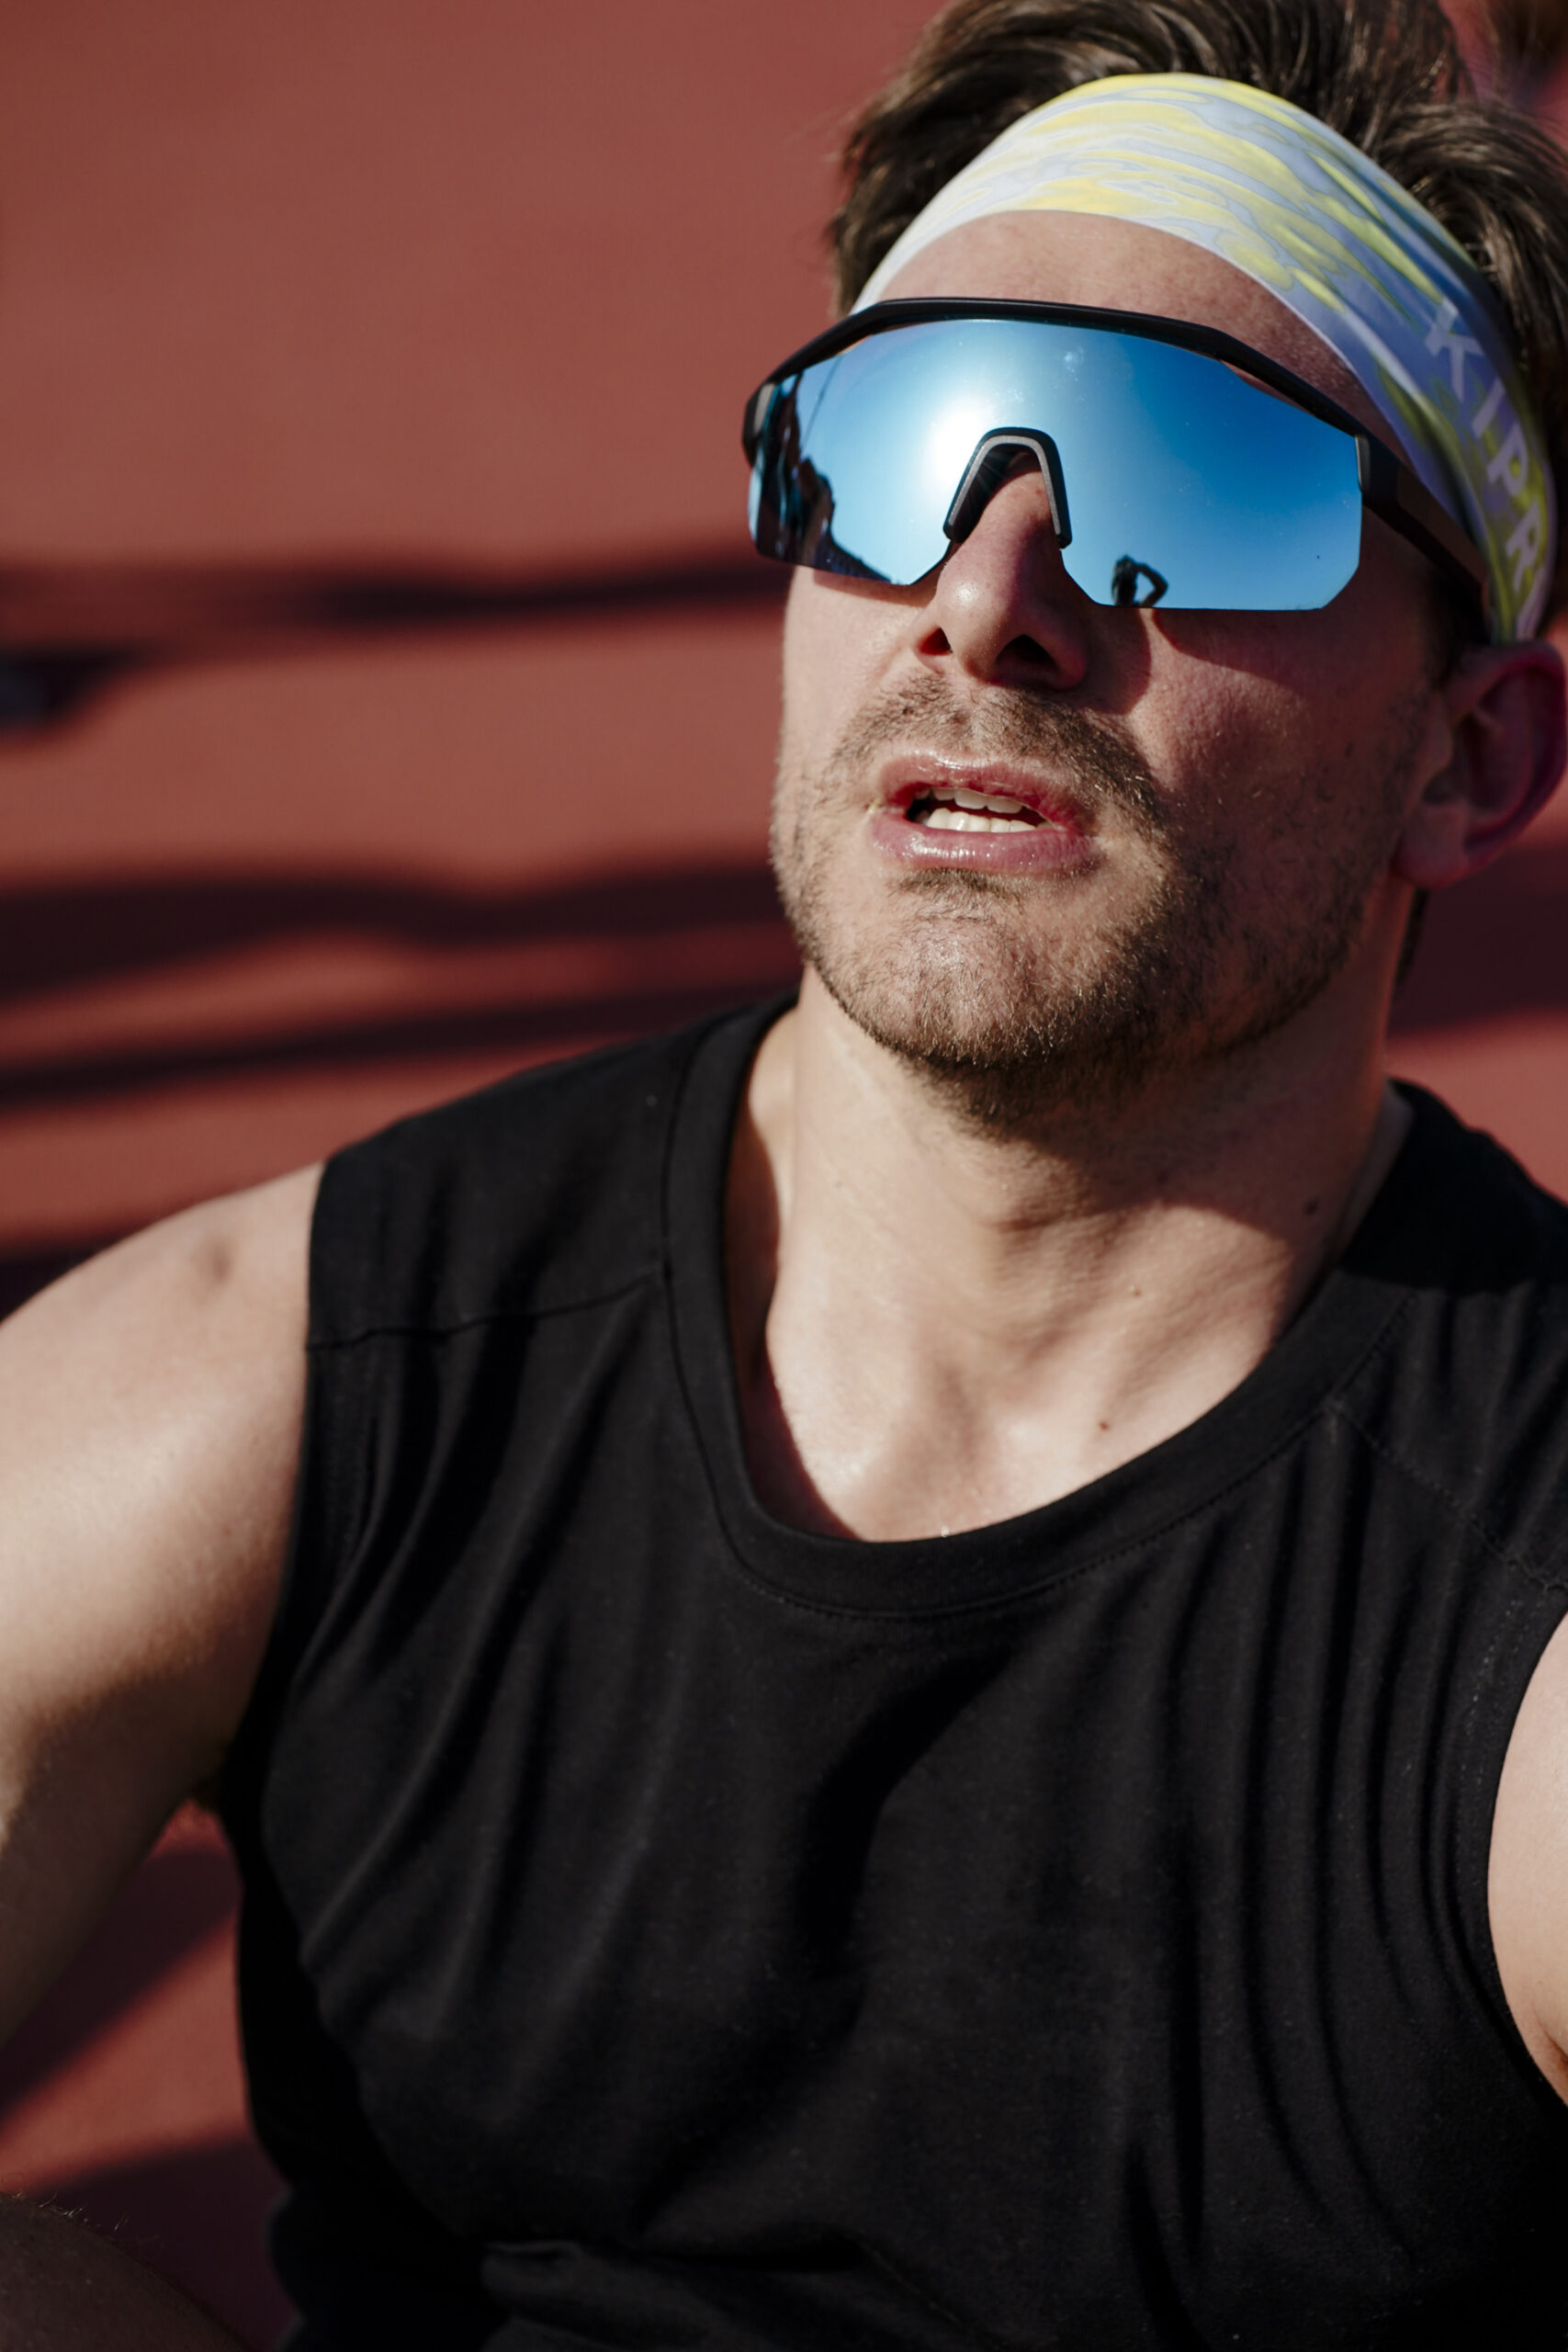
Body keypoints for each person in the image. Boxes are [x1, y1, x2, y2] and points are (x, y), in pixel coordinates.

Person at [5, 0, 1568, 2343]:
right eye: (898, 442)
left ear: (1469, 756)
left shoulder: (1512, 1616)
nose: (988, 592)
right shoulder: (291, 1387)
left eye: (1192, 478)